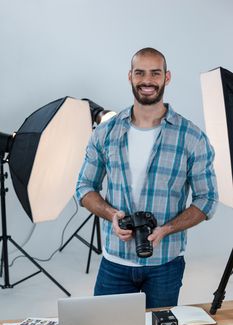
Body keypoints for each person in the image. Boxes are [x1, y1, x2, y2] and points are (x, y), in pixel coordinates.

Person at [76, 47, 218, 308]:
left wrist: (166, 229)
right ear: (130, 76)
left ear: (167, 77)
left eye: (155, 73)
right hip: (115, 261)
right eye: (140, 73)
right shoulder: (105, 133)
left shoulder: (192, 137)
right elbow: (84, 187)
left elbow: (207, 199)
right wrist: (111, 214)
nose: (148, 80)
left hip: (165, 262)